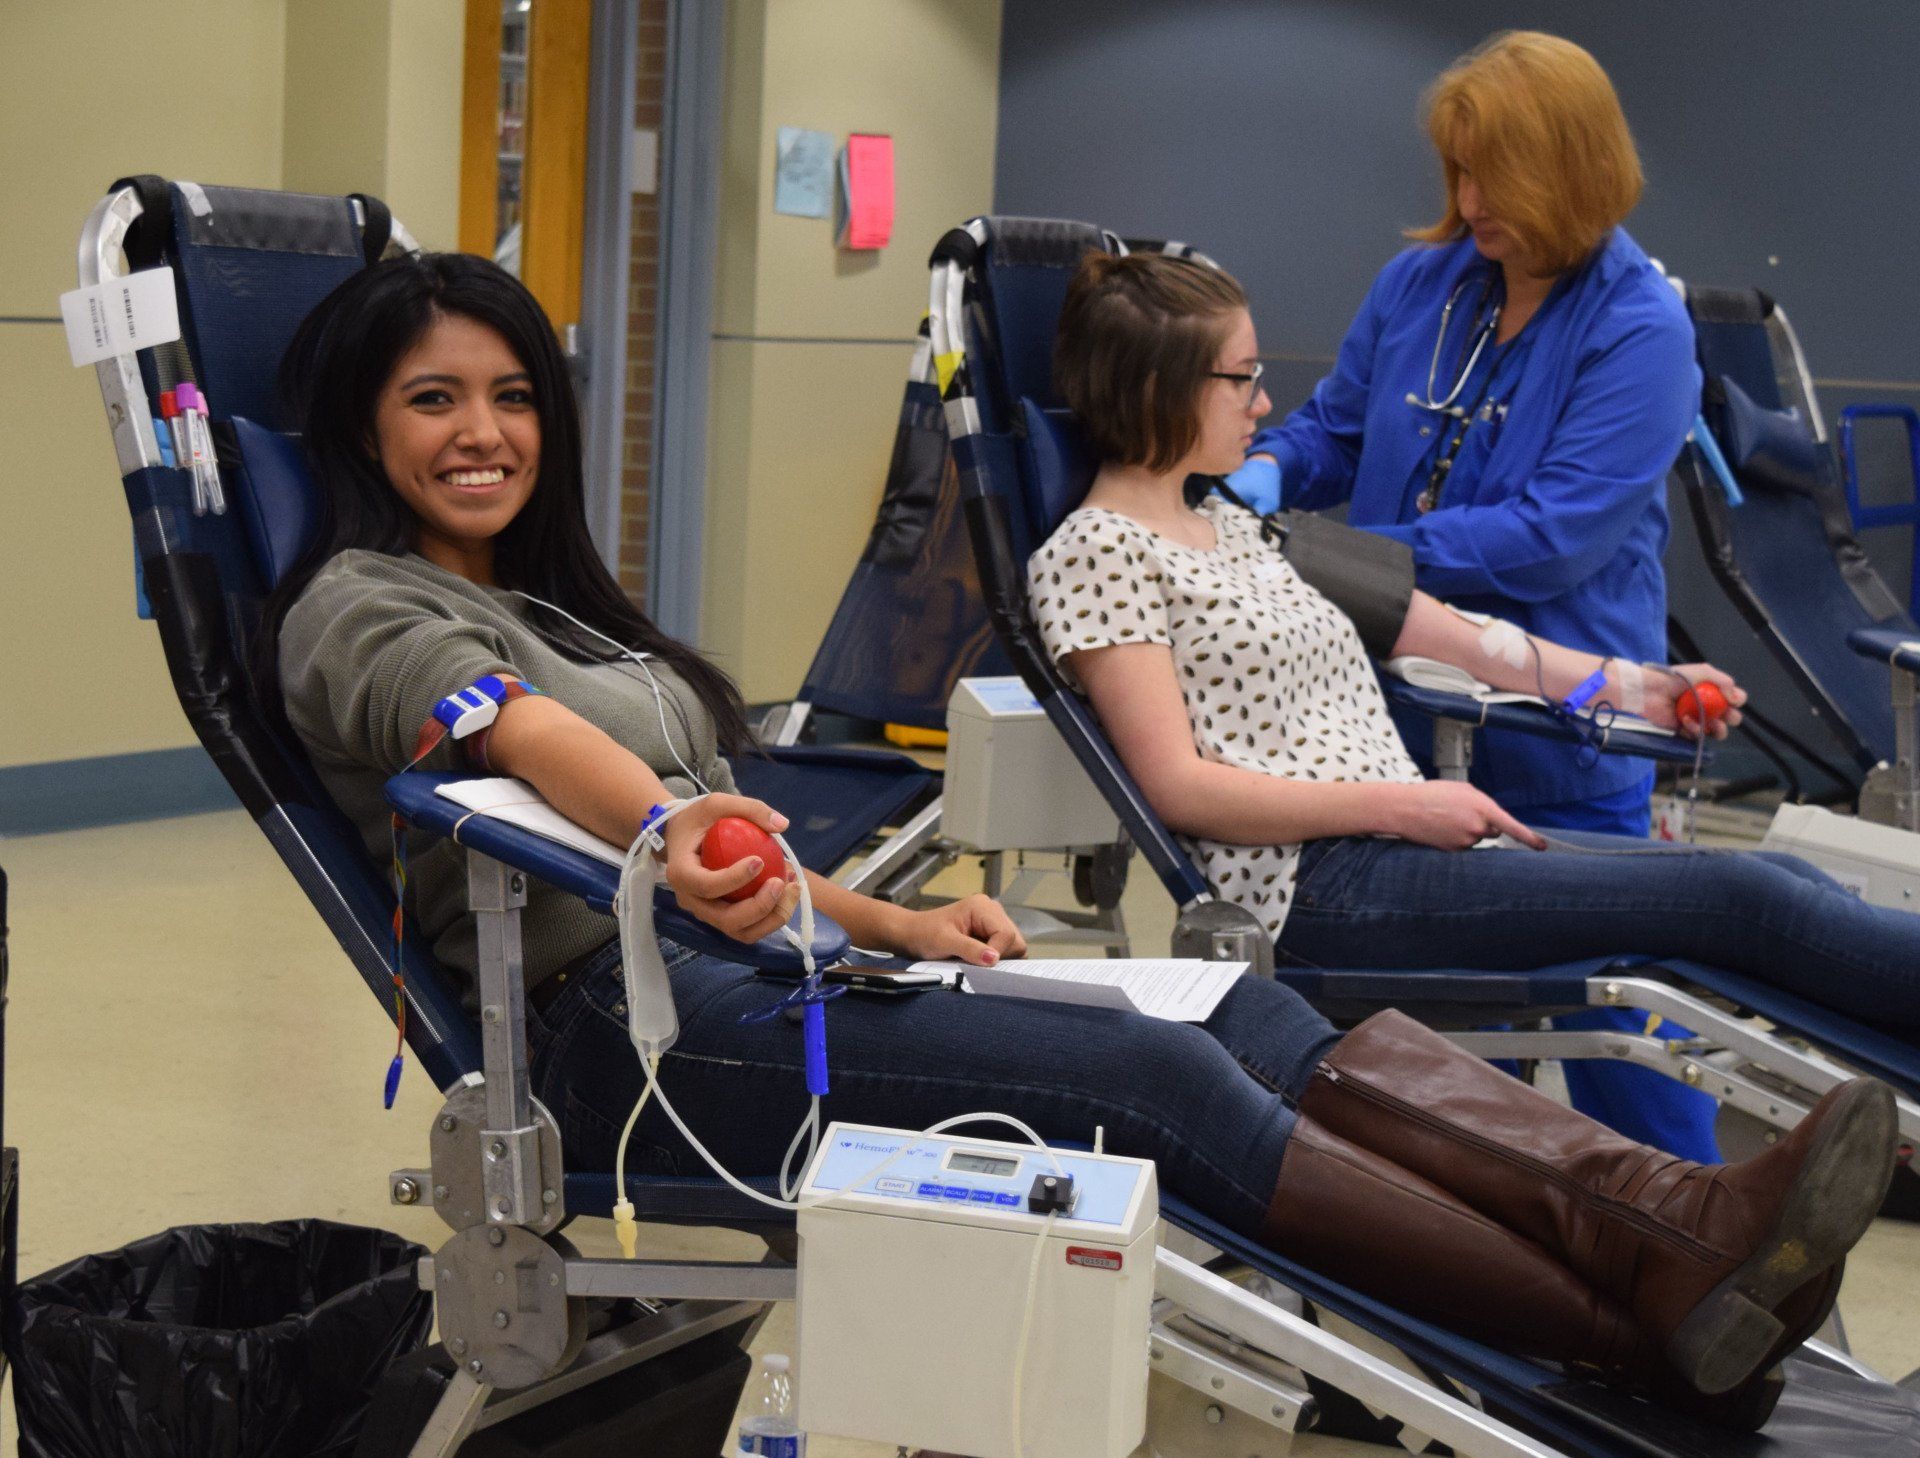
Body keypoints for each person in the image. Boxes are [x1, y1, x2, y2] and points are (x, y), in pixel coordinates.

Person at [261, 252, 1894, 1430]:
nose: (483, 430)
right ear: (363, 428)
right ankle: (1623, 1320)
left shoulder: (537, 597)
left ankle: (1662, 1224)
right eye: (434, 400)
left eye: (509, 396)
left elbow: (731, 855)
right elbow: (526, 741)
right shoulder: (362, 611)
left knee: (1239, 1013)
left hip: (760, 981)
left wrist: (895, 927)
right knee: (1156, 1085)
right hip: (637, 1050)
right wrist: (687, 817)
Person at [1225, 32, 1712, 1155]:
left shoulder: (1640, 326)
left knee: (1610, 1026)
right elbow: (1335, 430)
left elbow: (1548, 539)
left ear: (1575, 168)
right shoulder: (1423, 284)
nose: (1472, 199)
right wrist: (1265, 477)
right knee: (1433, 1055)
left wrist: (1341, 560)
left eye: (1498, 172)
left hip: (1559, 740)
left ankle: (1714, 1251)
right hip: (1394, 734)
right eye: (1457, 170)